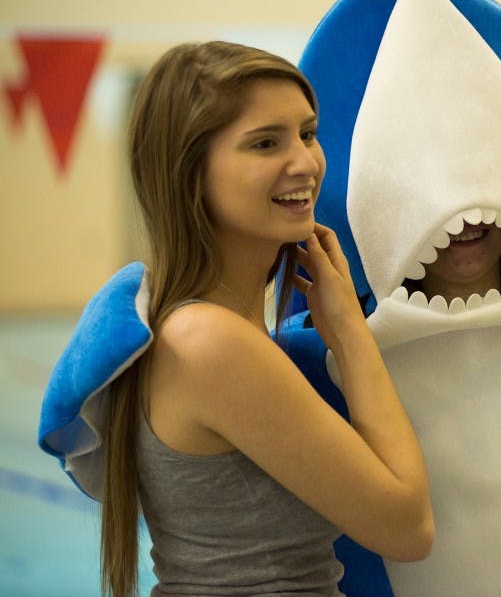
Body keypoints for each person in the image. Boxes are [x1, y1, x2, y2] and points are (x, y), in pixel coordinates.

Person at [100, 41, 433, 596]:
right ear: (191, 173)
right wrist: (350, 331)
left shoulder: (196, 323)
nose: (305, 162)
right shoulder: (208, 341)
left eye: (307, 133)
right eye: (264, 143)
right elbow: (407, 527)